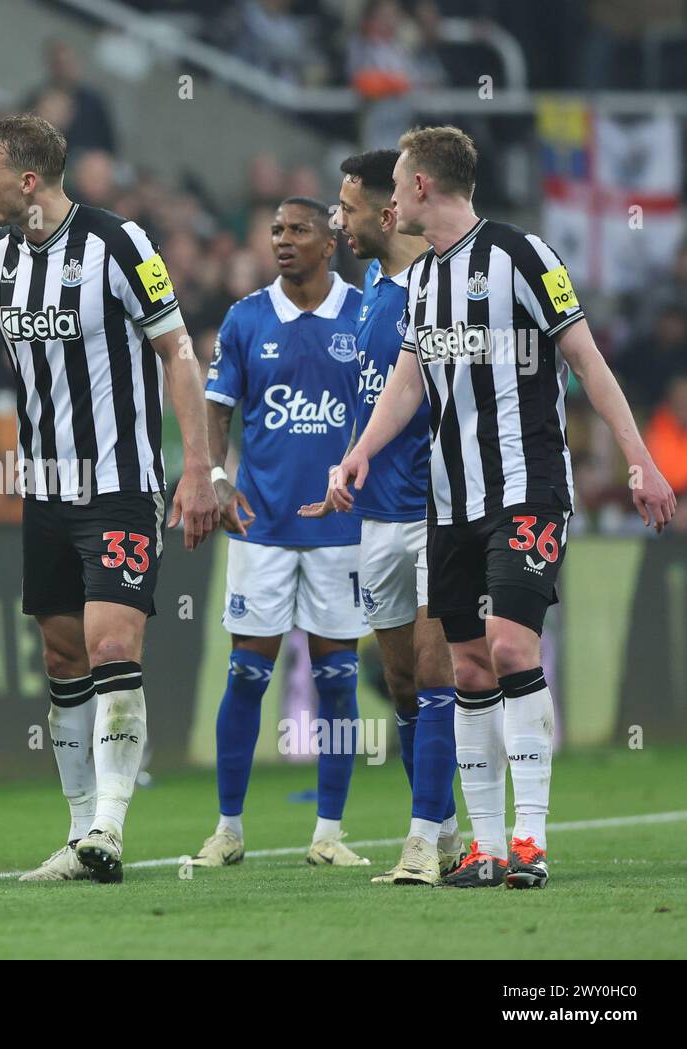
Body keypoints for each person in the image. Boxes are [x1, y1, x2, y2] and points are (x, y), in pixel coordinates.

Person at [0, 115, 219, 883]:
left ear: (28, 181)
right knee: (62, 654)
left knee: (114, 644)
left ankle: (110, 830)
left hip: (121, 483)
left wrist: (198, 467)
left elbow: (177, 352)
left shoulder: (121, 244)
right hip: (45, 491)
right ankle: (78, 826)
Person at [331, 126, 677, 888]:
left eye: (396, 183)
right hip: (450, 499)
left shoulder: (524, 257)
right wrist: (361, 448)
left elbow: (586, 358)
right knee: (470, 665)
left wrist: (641, 460)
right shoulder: (421, 282)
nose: (389, 199)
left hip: (527, 487)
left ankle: (529, 838)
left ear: (423, 185)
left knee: (513, 647)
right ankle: (484, 847)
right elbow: (410, 380)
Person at [192, 198, 371, 870]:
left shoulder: (365, 314)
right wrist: (214, 473)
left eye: (298, 230)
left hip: (342, 528)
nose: (283, 240)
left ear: (330, 243)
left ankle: (327, 831)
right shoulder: (246, 317)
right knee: (246, 674)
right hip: (261, 525)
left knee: (338, 679)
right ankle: (229, 828)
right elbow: (217, 406)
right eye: (275, 230)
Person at [301, 150, 464, 885]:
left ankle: (423, 842)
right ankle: (451, 829)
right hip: (375, 517)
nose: (339, 221)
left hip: (439, 508)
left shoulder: (440, 290)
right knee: (400, 683)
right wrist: (347, 467)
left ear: (387, 211)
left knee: (437, 673)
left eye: (348, 207)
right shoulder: (369, 289)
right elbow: (376, 400)